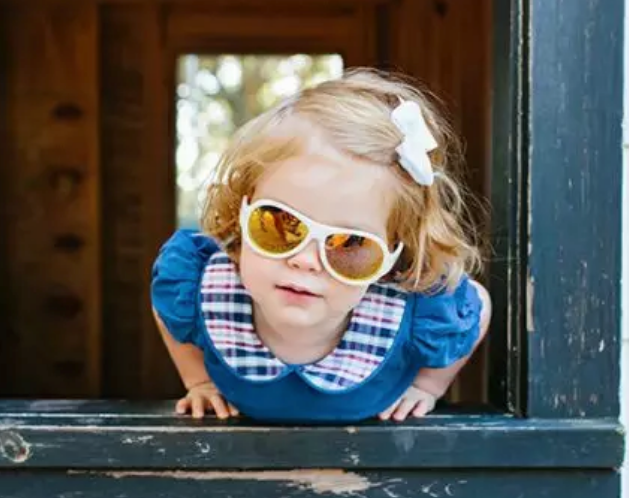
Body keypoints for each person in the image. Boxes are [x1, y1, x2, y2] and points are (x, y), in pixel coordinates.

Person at [151, 68, 491, 423]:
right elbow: (163, 304)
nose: (305, 261)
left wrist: (428, 387)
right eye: (281, 224)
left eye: (350, 244)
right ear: (242, 213)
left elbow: (479, 305)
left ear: (393, 255)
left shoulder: (414, 315)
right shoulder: (202, 289)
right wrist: (200, 381)